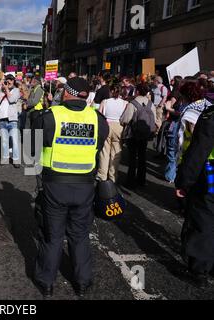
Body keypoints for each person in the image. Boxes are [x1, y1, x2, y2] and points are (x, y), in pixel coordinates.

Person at [33, 77, 109, 298]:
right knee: (80, 235)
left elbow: (31, 150)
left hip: (55, 184)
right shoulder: (97, 119)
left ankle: (46, 282)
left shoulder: (50, 116)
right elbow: (98, 146)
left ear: (66, 93)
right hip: (85, 185)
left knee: (53, 236)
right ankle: (83, 281)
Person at [175, 103, 214, 289]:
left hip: (211, 176)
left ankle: (199, 270)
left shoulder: (211, 115)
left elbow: (199, 150)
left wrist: (184, 181)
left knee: (203, 221)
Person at [120, 83, 156, 188]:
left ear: (137, 92)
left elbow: (125, 119)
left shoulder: (133, 103)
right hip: (145, 134)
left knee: (132, 158)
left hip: (133, 134)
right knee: (142, 157)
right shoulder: (150, 104)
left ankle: (130, 181)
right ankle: (142, 180)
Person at [97, 85, 128, 182]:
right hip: (119, 126)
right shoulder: (125, 103)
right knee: (116, 153)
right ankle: (113, 175)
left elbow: (100, 114)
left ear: (111, 92)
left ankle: (102, 175)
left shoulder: (105, 102)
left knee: (104, 152)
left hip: (107, 125)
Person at [0, 74, 21, 167]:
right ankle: (5, 158)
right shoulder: (2, 90)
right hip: (2, 120)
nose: (9, 82)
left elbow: (12, 99)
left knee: (14, 140)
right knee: (4, 140)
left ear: (13, 81)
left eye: (11, 80)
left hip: (12, 120)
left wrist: (7, 89)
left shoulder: (16, 90)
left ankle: (16, 160)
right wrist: (0, 86)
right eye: (7, 80)